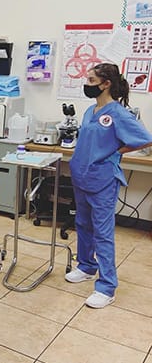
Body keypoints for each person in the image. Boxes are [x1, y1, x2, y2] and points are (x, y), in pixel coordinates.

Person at [64, 63, 152, 308]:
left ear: (106, 84)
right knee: (83, 224)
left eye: (91, 80)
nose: (87, 84)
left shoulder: (118, 113)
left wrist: (117, 151)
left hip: (102, 180)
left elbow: (145, 139)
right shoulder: (90, 110)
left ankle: (106, 287)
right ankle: (86, 266)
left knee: (102, 233)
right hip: (82, 176)